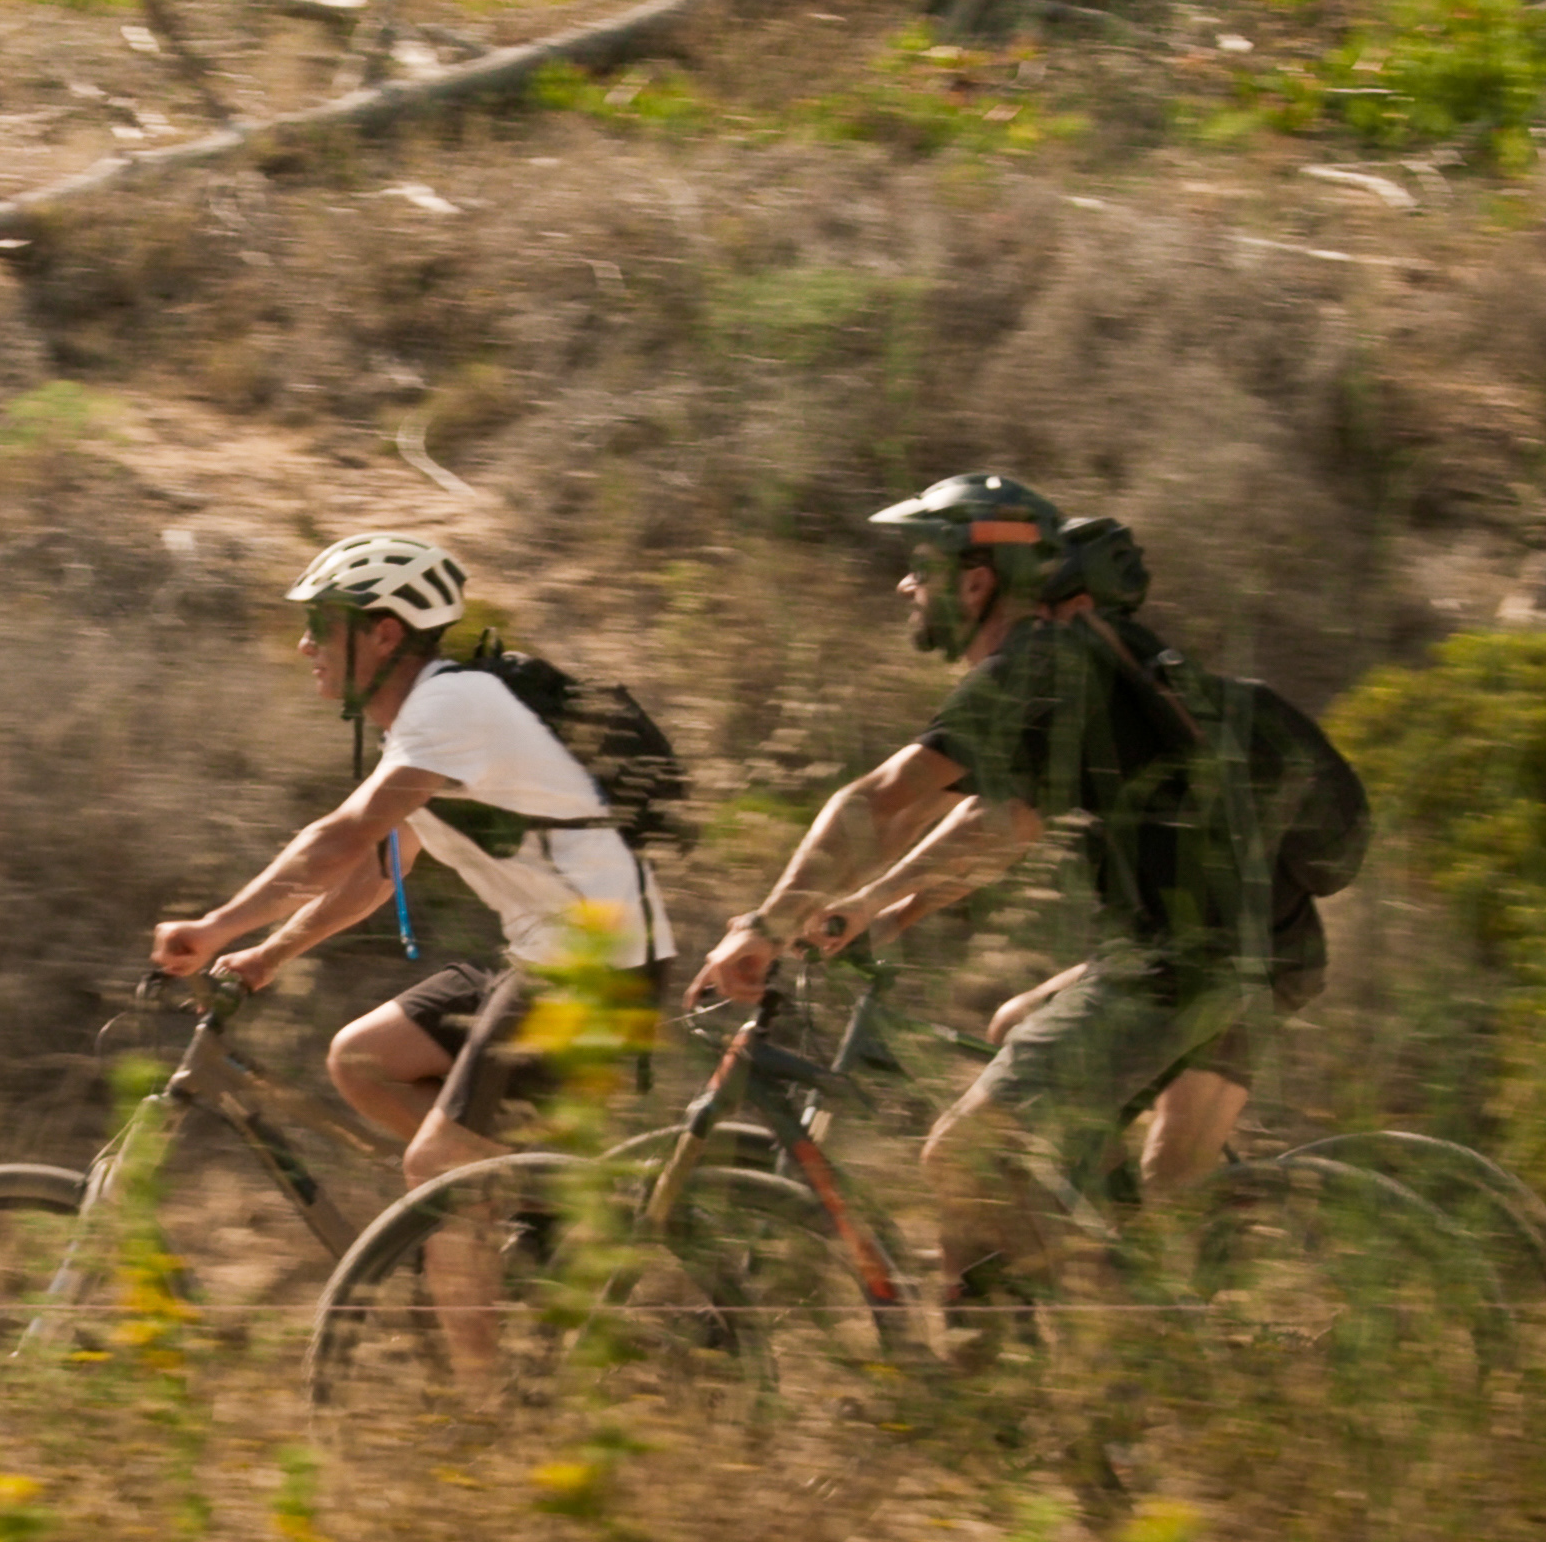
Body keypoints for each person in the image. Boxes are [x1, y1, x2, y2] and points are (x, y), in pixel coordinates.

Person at [686, 474, 1320, 1360]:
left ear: (975, 580)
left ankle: (1079, 1367)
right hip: (1262, 946)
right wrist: (884, 907)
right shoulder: (1089, 661)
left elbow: (882, 799)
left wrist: (762, 925)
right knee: (1015, 1027)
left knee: (964, 1156)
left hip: (1182, 963)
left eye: (921, 567)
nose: (905, 585)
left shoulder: (1032, 666)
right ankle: (1131, 1311)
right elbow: (1005, 824)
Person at [150, 533, 677, 1362]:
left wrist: (217, 926)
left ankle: (485, 1408)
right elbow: (378, 867)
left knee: (438, 1170)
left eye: (322, 625)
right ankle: (540, 1202)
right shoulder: (428, 726)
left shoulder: (453, 707)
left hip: (597, 968)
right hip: (551, 958)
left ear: (385, 633)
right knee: (362, 1059)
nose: (306, 645)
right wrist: (270, 955)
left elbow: (340, 838)